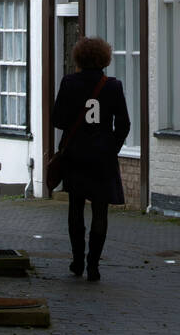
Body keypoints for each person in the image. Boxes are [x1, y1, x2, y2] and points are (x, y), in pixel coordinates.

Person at [51, 36, 130, 282]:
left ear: (79, 57)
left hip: (75, 154)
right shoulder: (113, 86)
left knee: (75, 206)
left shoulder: (69, 82)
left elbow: (58, 121)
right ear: (105, 58)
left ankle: (77, 260)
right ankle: (93, 264)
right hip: (102, 156)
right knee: (100, 209)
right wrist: (112, 147)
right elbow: (124, 124)